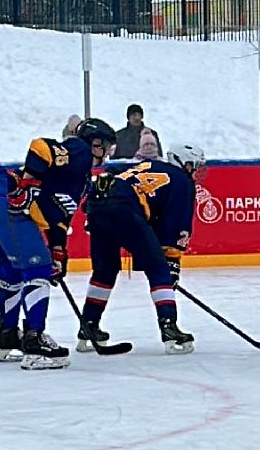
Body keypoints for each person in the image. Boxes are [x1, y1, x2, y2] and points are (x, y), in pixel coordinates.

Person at [0, 116, 117, 366]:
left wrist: (58, 250)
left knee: (11, 272)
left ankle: (9, 336)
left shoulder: (79, 176)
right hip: (9, 204)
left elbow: (59, 219)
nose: (107, 154)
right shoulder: (80, 151)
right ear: (95, 143)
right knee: (37, 270)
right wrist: (27, 184)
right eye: (106, 146)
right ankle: (35, 343)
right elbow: (41, 146)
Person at [77, 144, 203, 356]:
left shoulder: (147, 164)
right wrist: (171, 263)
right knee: (159, 270)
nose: (195, 171)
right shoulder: (182, 181)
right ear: (183, 162)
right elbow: (175, 227)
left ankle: (88, 325)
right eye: (193, 166)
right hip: (124, 207)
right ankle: (169, 326)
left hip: (97, 204)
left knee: (105, 270)